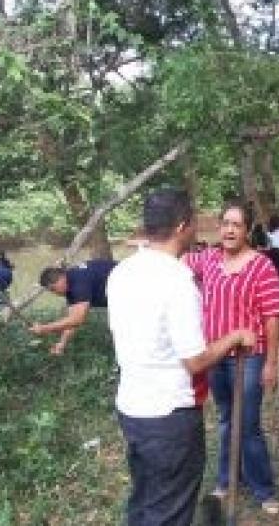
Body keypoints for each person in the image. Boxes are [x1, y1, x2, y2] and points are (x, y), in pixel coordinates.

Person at [106, 188, 256, 526]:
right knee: (169, 511)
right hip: (169, 416)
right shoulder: (177, 281)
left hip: (132, 409)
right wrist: (234, 337)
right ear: (181, 227)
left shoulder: (122, 272)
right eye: (193, 222)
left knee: (145, 500)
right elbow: (195, 360)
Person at [184, 200, 279, 516]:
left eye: (236, 225)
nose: (229, 230)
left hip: (248, 358)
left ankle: (263, 488)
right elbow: (178, 259)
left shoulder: (261, 266)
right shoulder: (209, 259)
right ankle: (227, 479)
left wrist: (271, 363)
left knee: (248, 423)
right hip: (215, 355)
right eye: (225, 223)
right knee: (227, 418)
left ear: (247, 230)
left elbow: (272, 317)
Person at [30, 258, 117, 355]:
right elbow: (72, 320)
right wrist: (62, 344)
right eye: (51, 291)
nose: (55, 293)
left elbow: (78, 319)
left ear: (61, 278)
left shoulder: (79, 282)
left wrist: (45, 328)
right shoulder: (70, 284)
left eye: (53, 289)